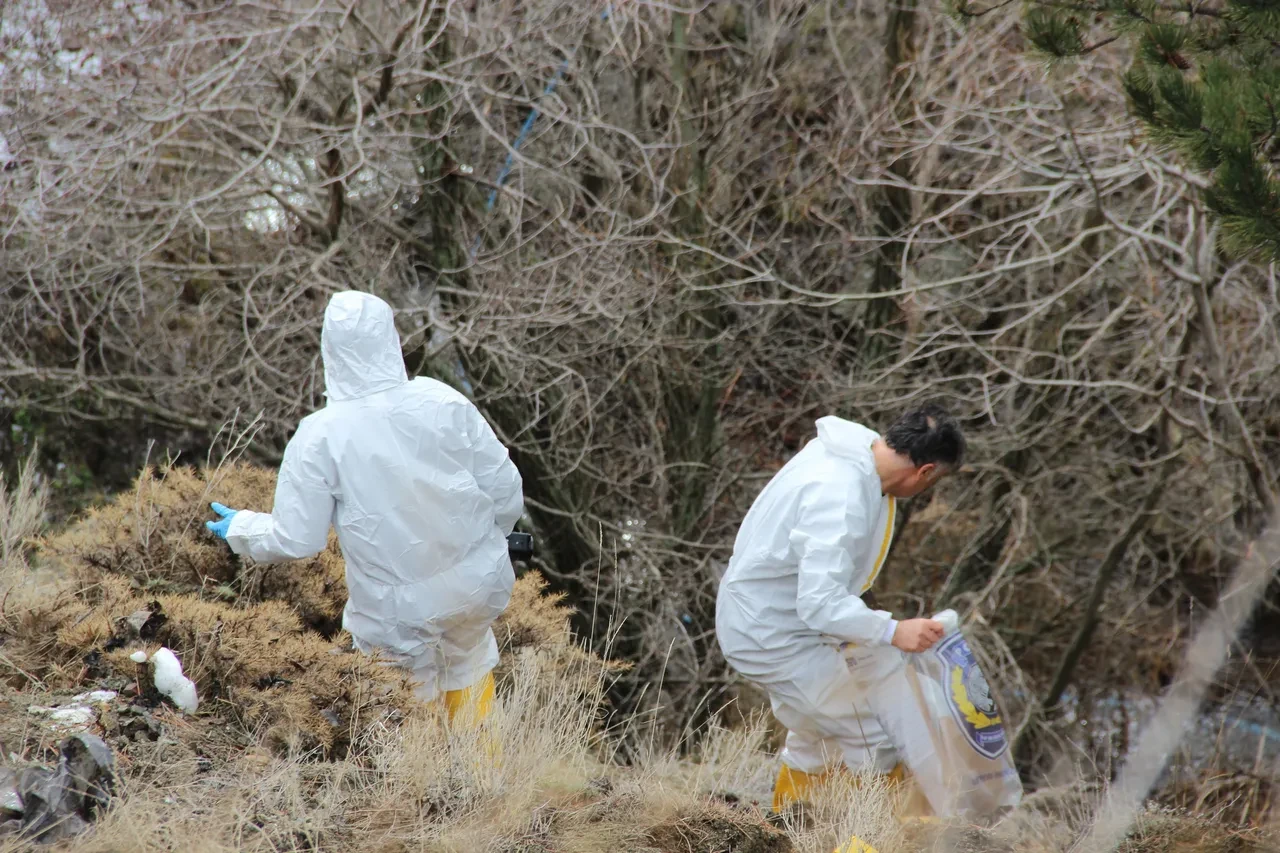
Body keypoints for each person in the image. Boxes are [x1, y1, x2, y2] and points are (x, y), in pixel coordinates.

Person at [205, 290, 523, 727]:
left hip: (396, 615)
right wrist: (487, 549)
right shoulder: (441, 399)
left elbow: (298, 538)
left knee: (407, 712)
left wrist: (243, 528)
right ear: (390, 338)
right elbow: (505, 488)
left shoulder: (321, 436)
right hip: (477, 587)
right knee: (468, 672)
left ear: (329, 350)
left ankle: (425, 787)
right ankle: (486, 785)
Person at [714, 405, 965, 812]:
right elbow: (820, 603)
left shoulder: (858, 456)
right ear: (925, 472)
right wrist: (892, 630)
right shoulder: (840, 495)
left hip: (777, 621)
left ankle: (786, 832)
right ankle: (869, 839)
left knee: (819, 733)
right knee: (874, 731)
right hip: (770, 634)